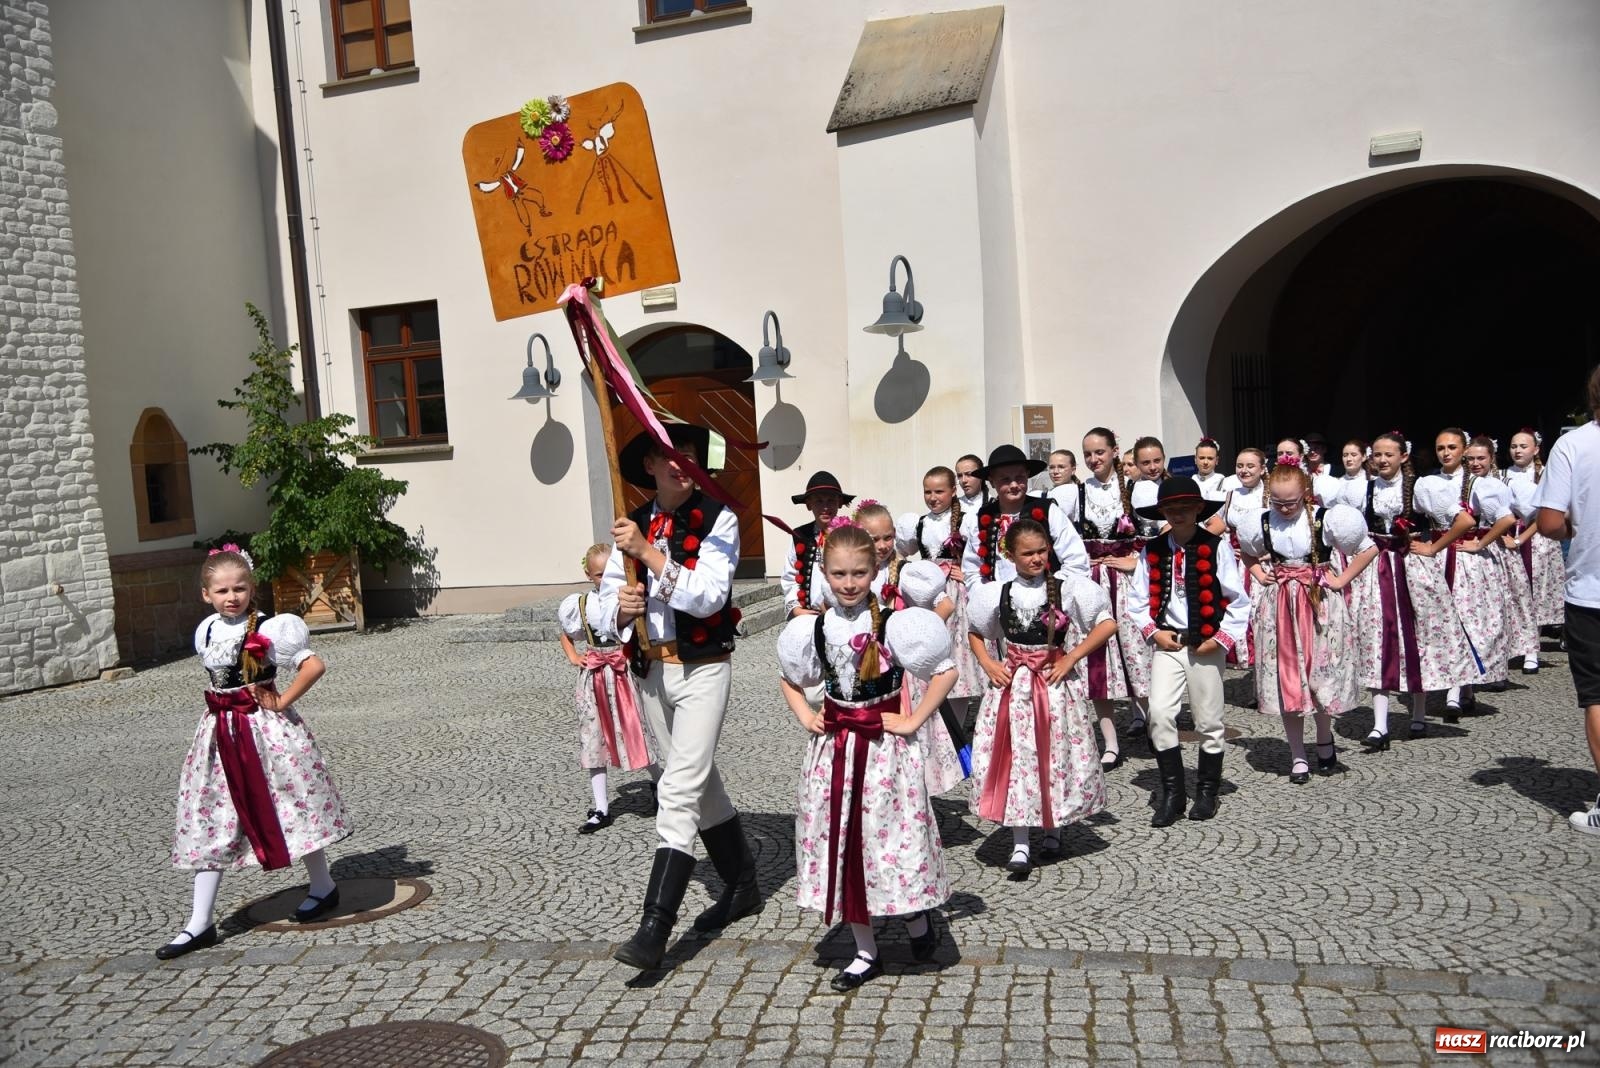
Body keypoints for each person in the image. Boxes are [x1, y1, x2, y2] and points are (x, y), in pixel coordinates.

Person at [590, 423, 761, 970]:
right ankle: (741, 885)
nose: (679, 464)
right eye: (668, 457)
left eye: (687, 455)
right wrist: (622, 609)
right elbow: (600, 608)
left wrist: (652, 557)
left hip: (705, 668)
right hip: (653, 671)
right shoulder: (631, 523)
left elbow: (710, 597)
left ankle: (654, 927)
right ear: (649, 467)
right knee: (699, 782)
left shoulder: (719, 518)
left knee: (678, 789)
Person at [776, 522, 958, 990]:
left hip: (882, 755)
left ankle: (916, 918)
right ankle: (864, 949)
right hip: (834, 750)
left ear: (876, 570)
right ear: (825, 573)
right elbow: (790, 677)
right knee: (844, 841)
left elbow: (945, 671)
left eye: (859, 572)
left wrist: (914, 719)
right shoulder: (813, 628)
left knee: (889, 841)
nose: (849, 583)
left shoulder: (895, 622)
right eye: (839, 574)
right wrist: (805, 714)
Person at [157, 547, 351, 960]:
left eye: (239, 588)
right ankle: (200, 921)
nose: (232, 596)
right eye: (222, 590)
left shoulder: (273, 627)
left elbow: (313, 666)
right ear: (206, 594)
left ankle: (323, 886)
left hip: (266, 732)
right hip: (219, 735)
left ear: (252, 588)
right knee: (211, 815)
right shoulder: (206, 630)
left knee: (291, 806)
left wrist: (280, 702)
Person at [966, 519, 1119, 875]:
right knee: (1018, 759)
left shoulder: (1068, 588)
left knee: (1053, 756)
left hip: (1053, 686)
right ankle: (1020, 842)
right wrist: (989, 663)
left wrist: (1071, 656)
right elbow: (976, 632)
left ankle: (1053, 828)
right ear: (1010, 555)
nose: (1036, 558)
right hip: (1013, 689)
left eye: (1041, 551)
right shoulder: (998, 592)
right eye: (1028, 553)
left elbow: (1107, 622)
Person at [1329, 431, 1478, 748]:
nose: (1382, 460)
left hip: (1412, 570)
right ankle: (1380, 725)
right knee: (1377, 640)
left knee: (1418, 636)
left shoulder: (1422, 488)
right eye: (1378, 455)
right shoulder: (1361, 490)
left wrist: (1434, 547)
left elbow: (1464, 520)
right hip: (1375, 570)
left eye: (1388, 455)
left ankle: (1419, 714)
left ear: (1403, 457)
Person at [1235, 463, 1375, 783]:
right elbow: (1247, 552)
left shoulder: (1325, 520)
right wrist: (1258, 572)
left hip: (1319, 603)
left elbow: (1368, 549)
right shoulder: (1263, 523)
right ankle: (1297, 754)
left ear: (1306, 496)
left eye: (1291, 503)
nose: (1284, 509)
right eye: (1278, 503)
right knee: (1289, 681)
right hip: (1281, 606)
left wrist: (1341, 581)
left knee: (1320, 677)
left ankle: (1324, 738)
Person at [1127, 478, 1249, 825]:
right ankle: (1173, 793)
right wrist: (1153, 632)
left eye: (1185, 507)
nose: (1178, 514)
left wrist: (1222, 639)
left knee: (1209, 721)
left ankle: (1207, 791)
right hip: (1169, 643)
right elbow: (1137, 601)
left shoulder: (1216, 546)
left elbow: (1238, 600)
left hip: (1205, 644)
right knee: (1161, 714)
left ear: (1198, 509)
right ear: (1162, 512)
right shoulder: (1152, 550)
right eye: (1170, 509)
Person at [1534, 365, 1600, 836]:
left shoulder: (1573, 444)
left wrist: (1580, 529)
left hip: (1592, 590)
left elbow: (1551, 522)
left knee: (1598, 698)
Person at [558, 542, 656, 834]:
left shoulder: (625, 600)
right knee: (593, 737)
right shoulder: (581, 605)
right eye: (597, 574)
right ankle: (601, 807)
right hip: (594, 677)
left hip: (624, 674)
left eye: (606, 573)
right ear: (589, 574)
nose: (602, 579)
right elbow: (566, 632)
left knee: (637, 730)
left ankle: (661, 788)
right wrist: (574, 656)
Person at [1073, 427, 1153, 767]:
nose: (1093, 460)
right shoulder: (1074, 494)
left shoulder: (1138, 490)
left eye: (1099, 453)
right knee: (1097, 661)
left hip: (1128, 584)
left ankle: (1153, 726)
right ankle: (1110, 742)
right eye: (1088, 454)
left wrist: (1135, 561)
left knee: (1138, 654)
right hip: (1092, 584)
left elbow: (1159, 535)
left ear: (1115, 452)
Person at [1419, 428, 1512, 716]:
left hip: (1467, 562)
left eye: (1451, 447)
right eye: (1440, 448)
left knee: (1466, 621)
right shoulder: (1427, 483)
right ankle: (1463, 689)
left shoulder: (1479, 485)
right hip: (1437, 557)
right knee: (1445, 621)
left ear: (1463, 450)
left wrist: (1480, 543)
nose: (1446, 453)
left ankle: (1455, 691)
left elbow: (1506, 518)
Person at [895, 467, 985, 732]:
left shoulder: (967, 520)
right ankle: (928, 720)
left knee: (956, 656)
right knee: (926, 653)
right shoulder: (918, 523)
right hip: (925, 596)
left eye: (939, 491)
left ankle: (954, 729)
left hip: (956, 595)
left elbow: (983, 555)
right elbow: (900, 552)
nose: (933, 497)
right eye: (928, 492)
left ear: (953, 491)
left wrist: (969, 572)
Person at [960, 444, 1090, 590]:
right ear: (991, 481)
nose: (1014, 484)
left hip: (1045, 597)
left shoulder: (1048, 511)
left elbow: (1075, 559)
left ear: (1027, 475)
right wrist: (991, 594)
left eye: (1020, 477)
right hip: (999, 600)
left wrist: (1051, 589)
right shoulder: (982, 517)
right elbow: (972, 569)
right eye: (1005, 479)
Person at [1464, 436, 1539, 685]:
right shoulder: (1461, 484)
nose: (1475, 463)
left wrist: (1518, 540)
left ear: (1492, 458)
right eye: (1471, 458)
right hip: (1469, 552)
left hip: (1498, 552)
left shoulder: (1507, 482)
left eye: (1480, 458)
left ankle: (1520, 655)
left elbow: (1538, 514)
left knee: (1507, 607)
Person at [1506, 427, 1566, 671]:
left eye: (1523, 446)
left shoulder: (1545, 474)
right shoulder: (1502, 474)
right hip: (1511, 534)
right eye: (1514, 446)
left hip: (1539, 538)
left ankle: (1533, 648)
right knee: (1514, 590)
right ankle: (1513, 644)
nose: (1518, 450)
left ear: (1536, 449)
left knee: (1536, 591)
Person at [782, 471, 855, 619]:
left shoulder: (852, 534)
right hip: (809, 615)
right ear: (809, 505)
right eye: (819, 501)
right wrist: (795, 608)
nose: (825, 507)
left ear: (839, 503)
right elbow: (790, 577)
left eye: (830, 501)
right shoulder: (799, 536)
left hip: (845, 616)